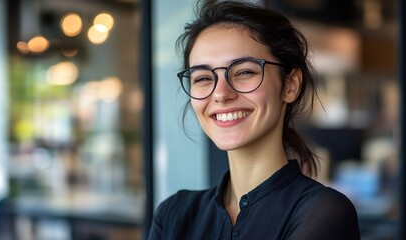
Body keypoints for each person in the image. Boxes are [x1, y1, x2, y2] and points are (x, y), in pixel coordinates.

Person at [149, 1, 361, 239]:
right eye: (203, 78)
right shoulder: (174, 214)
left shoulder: (322, 212)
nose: (220, 93)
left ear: (290, 85)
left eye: (244, 72)